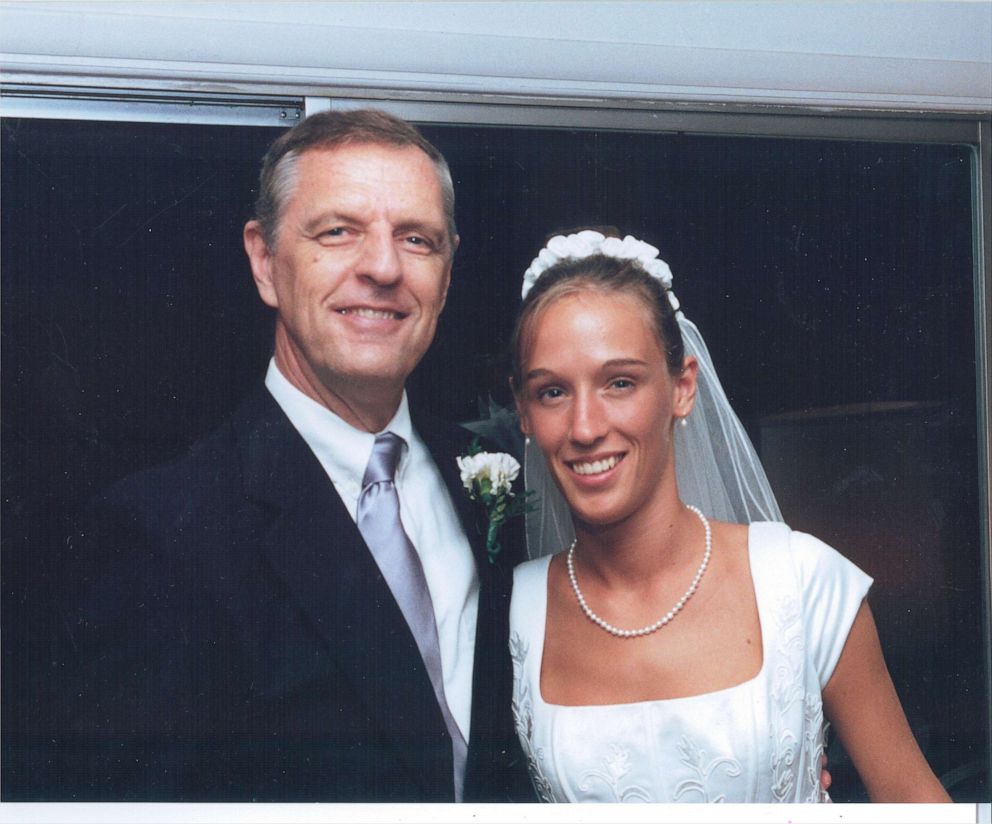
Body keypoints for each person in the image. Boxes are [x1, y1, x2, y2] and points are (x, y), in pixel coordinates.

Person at [56, 109, 533, 802]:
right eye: (338, 232)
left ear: (448, 272)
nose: (382, 267)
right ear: (264, 260)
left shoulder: (491, 477)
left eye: (417, 239)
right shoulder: (166, 533)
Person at [507, 228, 951, 802]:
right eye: (552, 393)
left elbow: (918, 807)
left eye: (620, 382)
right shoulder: (513, 612)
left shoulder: (801, 581)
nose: (586, 427)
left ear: (683, 387)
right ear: (522, 410)